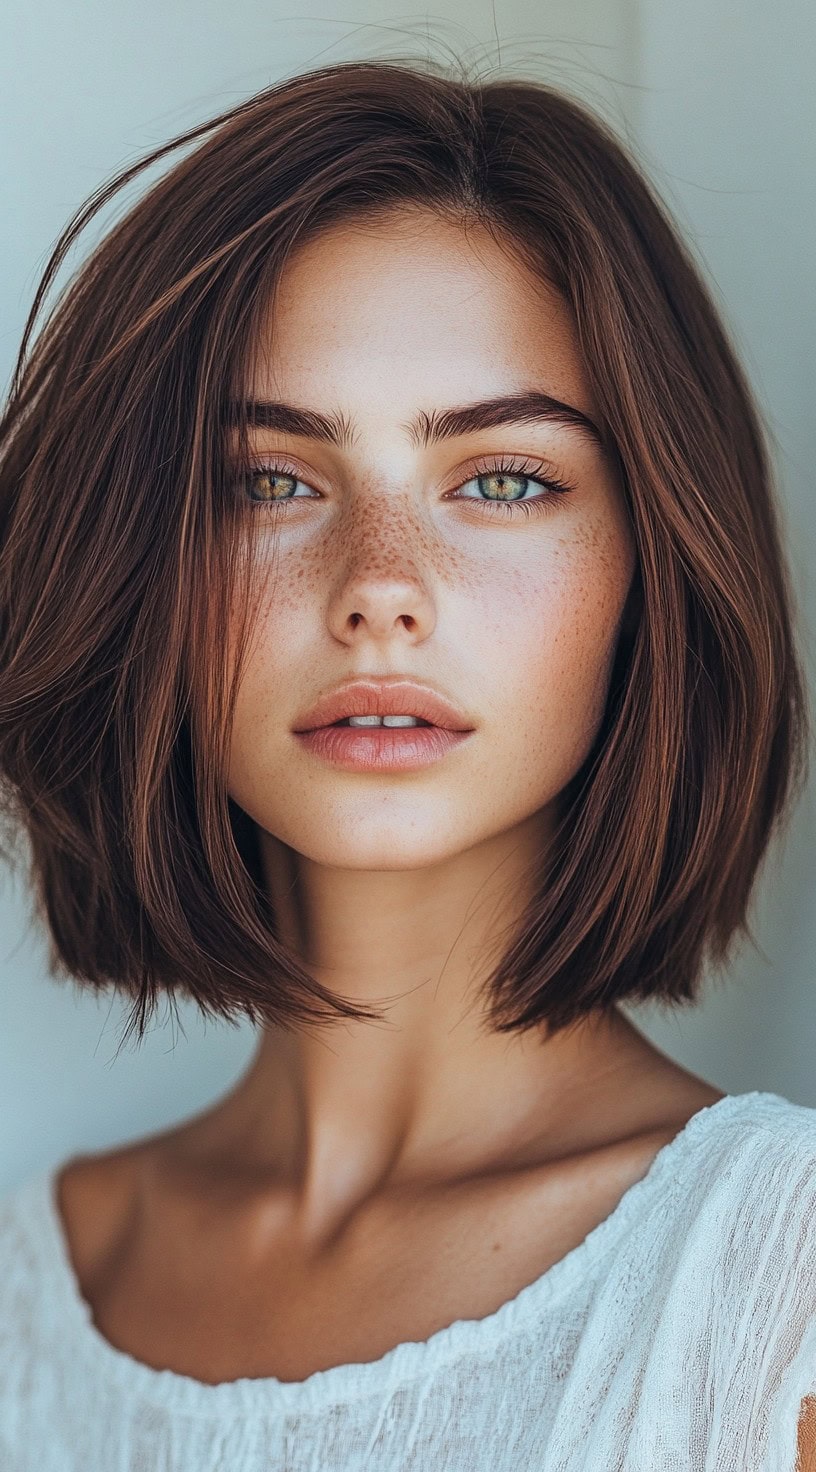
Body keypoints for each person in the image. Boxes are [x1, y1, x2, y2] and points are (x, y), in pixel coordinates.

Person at [0, 53, 814, 1472]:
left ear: (656, 567)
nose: (382, 588)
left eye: (504, 479)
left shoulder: (773, 1277)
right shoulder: (30, 1287)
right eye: (269, 482)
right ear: (140, 565)